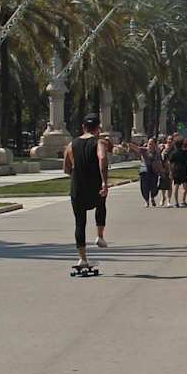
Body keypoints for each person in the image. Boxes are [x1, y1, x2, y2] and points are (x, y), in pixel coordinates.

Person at [64, 115, 110, 272]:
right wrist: (104, 181)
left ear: (83, 127)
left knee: (79, 222)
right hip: (94, 186)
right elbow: (102, 158)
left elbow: (66, 169)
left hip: (77, 188)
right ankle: (100, 236)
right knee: (101, 204)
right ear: (98, 128)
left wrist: (77, 175)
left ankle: (82, 258)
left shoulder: (71, 144)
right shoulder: (99, 142)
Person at [167, 137, 187, 207]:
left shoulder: (173, 153)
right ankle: (183, 201)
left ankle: (176, 202)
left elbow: (169, 162)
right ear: (182, 145)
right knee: (185, 186)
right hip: (183, 170)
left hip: (176, 170)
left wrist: (170, 172)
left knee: (176, 186)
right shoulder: (184, 152)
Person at [137, 137, 161, 207]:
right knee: (144, 187)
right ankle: (146, 201)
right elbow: (136, 148)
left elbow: (159, 162)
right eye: (149, 143)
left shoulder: (157, 153)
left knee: (154, 186)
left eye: (152, 144)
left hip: (154, 171)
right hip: (144, 171)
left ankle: (152, 197)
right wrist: (129, 143)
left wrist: (161, 171)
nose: (150, 145)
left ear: (155, 145)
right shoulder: (143, 150)